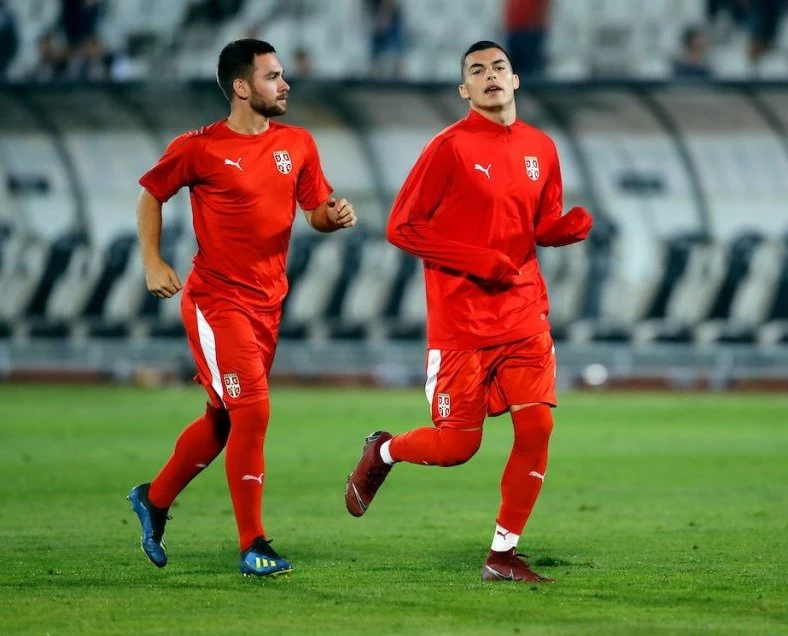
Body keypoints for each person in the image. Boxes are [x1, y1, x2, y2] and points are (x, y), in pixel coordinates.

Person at [344, 40, 592, 583]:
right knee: (458, 446)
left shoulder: (542, 147)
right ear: (465, 89)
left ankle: (502, 556)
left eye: (499, 67)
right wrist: (479, 261)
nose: (490, 75)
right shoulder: (449, 148)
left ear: (515, 79)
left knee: (538, 426)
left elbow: (539, 223)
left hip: (525, 313)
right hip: (462, 323)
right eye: (477, 71)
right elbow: (401, 227)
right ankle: (383, 451)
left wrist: (563, 229)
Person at [128, 38, 357, 577]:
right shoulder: (199, 147)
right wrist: (153, 262)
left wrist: (333, 216)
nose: (285, 84)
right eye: (272, 76)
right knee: (252, 411)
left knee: (222, 419)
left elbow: (315, 211)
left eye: (282, 75)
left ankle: (153, 500)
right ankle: (253, 543)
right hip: (217, 302)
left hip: (267, 305)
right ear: (241, 87)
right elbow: (151, 194)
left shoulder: (297, 143)